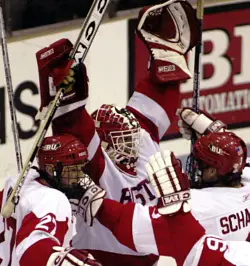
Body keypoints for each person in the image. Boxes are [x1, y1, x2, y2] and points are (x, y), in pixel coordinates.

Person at [36, 1, 200, 265]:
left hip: (150, 255)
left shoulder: (141, 135)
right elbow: (73, 123)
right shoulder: (96, 163)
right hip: (100, 259)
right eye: (123, 141)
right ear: (105, 143)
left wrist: (170, 55)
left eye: (131, 136)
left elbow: (161, 88)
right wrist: (68, 93)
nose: (132, 145)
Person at [70, 146, 250, 266]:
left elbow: (138, 226)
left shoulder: (199, 206)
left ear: (213, 171)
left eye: (202, 165)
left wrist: (97, 204)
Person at [0, 134, 101, 266]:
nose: (79, 176)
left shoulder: (16, 184)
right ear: (50, 169)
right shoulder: (53, 199)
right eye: (72, 170)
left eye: (81, 168)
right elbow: (32, 249)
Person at [177, 107, 250, 241]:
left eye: (199, 162)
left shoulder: (201, 206)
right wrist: (217, 135)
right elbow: (235, 155)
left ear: (211, 171)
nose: (195, 167)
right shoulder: (244, 176)